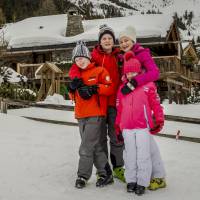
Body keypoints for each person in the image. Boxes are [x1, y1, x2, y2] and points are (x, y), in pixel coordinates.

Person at [69, 24, 125, 182]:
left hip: (114, 102)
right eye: (104, 38)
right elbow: (77, 65)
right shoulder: (92, 55)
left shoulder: (119, 55)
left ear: (113, 40)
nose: (107, 41)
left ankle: (118, 167)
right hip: (97, 105)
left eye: (109, 38)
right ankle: (104, 170)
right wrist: (75, 81)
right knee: (99, 139)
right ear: (100, 41)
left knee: (115, 137)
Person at [118, 26, 166, 191]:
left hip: (143, 102)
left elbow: (154, 73)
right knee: (139, 149)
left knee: (146, 149)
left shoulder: (143, 53)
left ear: (133, 40)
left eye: (127, 40)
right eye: (122, 41)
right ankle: (150, 176)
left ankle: (154, 177)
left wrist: (136, 82)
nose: (124, 43)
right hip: (130, 112)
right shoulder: (122, 57)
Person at [68, 41, 114, 189]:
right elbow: (73, 97)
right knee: (95, 146)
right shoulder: (77, 75)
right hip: (81, 115)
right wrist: (71, 89)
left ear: (88, 57)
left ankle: (82, 175)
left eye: (81, 58)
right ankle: (105, 173)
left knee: (86, 146)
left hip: (96, 115)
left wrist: (95, 88)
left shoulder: (99, 71)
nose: (79, 61)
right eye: (76, 60)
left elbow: (110, 88)